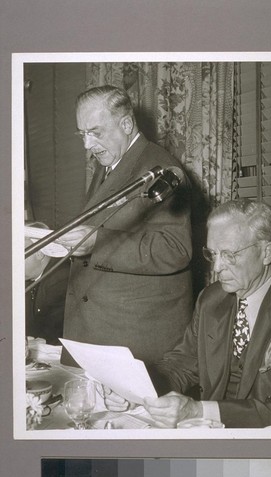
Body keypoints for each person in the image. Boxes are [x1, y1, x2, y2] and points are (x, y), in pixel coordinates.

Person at [104, 199, 271, 428]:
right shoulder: (211, 299)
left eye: (229, 255)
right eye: (212, 254)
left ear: (267, 252)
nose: (216, 267)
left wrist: (199, 410)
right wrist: (136, 389)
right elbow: (183, 363)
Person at [47, 85, 193, 365]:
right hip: (99, 328)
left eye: (96, 133)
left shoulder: (159, 168)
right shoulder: (111, 163)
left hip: (133, 338)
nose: (87, 146)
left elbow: (175, 249)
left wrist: (97, 242)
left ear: (126, 124)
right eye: (83, 134)